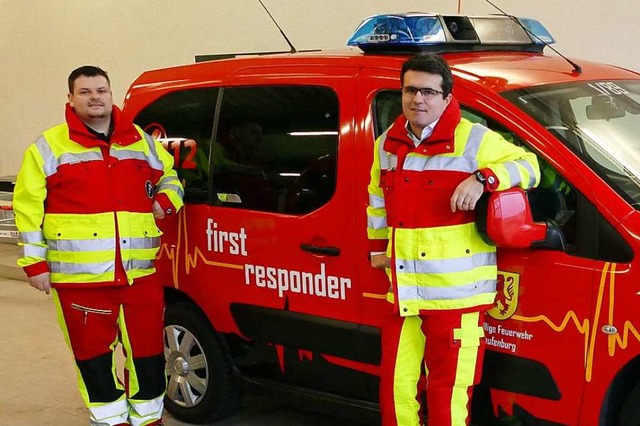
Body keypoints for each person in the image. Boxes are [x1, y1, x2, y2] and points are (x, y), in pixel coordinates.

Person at [366, 54, 540, 426]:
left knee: (449, 394)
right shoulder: (386, 144)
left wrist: (483, 179)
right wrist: (377, 251)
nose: (418, 99)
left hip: (457, 298)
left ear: (447, 98)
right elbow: (377, 202)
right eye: (410, 90)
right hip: (404, 292)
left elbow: (530, 166)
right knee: (395, 389)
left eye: (429, 91)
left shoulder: (474, 140)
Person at [13, 65, 184, 426]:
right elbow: (27, 207)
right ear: (71, 99)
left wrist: (166, 201)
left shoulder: (140, 140)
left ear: (111, 94)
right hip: (80, 281)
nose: (95, 98)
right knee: (93, 360)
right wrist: (35, 264)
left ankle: (149, 419)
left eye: (101, 90)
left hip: (140, 275)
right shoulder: (48, 146)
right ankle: (109, 420)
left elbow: (169, 175)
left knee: (149, 356)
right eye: (86, 92)